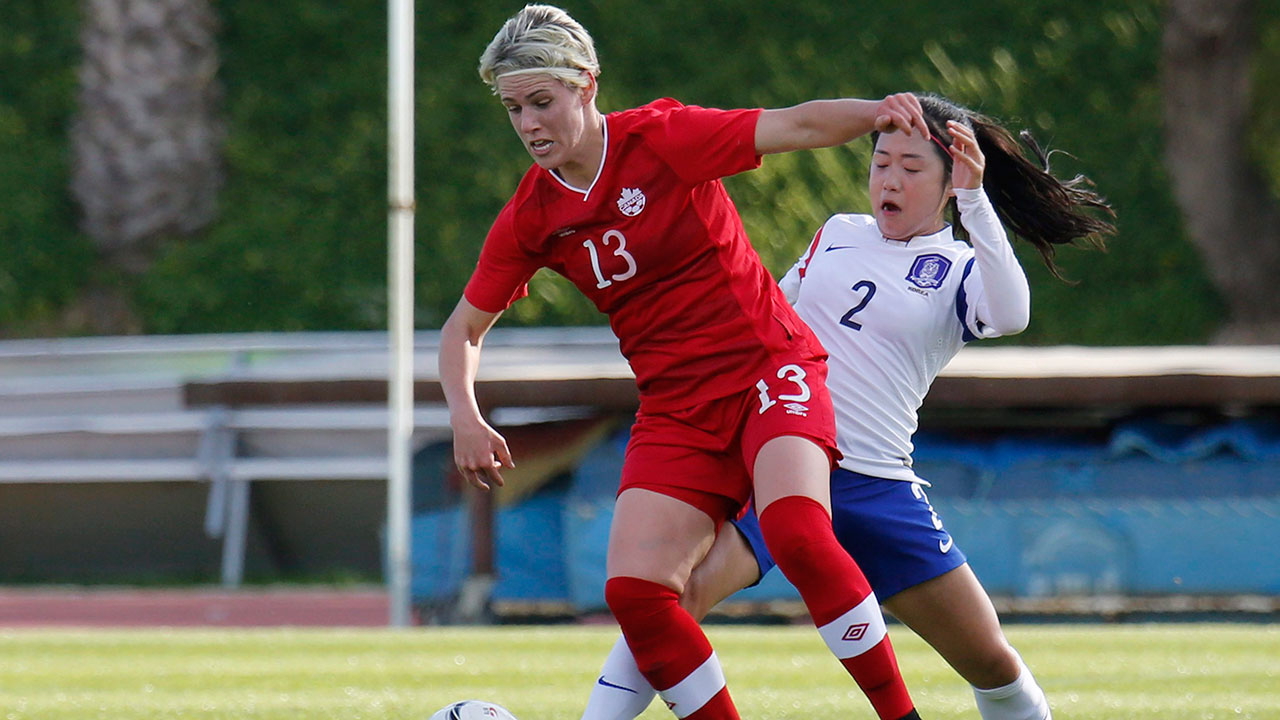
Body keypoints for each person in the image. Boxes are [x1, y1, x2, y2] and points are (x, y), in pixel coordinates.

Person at [440, 5, 933, 720]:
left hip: (768, 369)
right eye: (515, 108)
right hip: (676, 408)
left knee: (797, 532)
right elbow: (463, 329)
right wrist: (465, 413)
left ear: (586, 85)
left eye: (542, 101)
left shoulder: (663, 138)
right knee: (637, 596)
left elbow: (793, 125)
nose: (529, 124)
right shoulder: (532, 215)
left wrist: (878, 113)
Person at [578, 93, 1116, 720]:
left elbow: (1011, 313)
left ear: (949, 184)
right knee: (677, 599)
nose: (889, 179)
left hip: (875, 482)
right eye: (881, 162)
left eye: (912, 169)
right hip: (786, 457)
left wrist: (978, 199)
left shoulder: (959, 265)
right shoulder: (837, 233)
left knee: (989, 661)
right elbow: (767, 315)